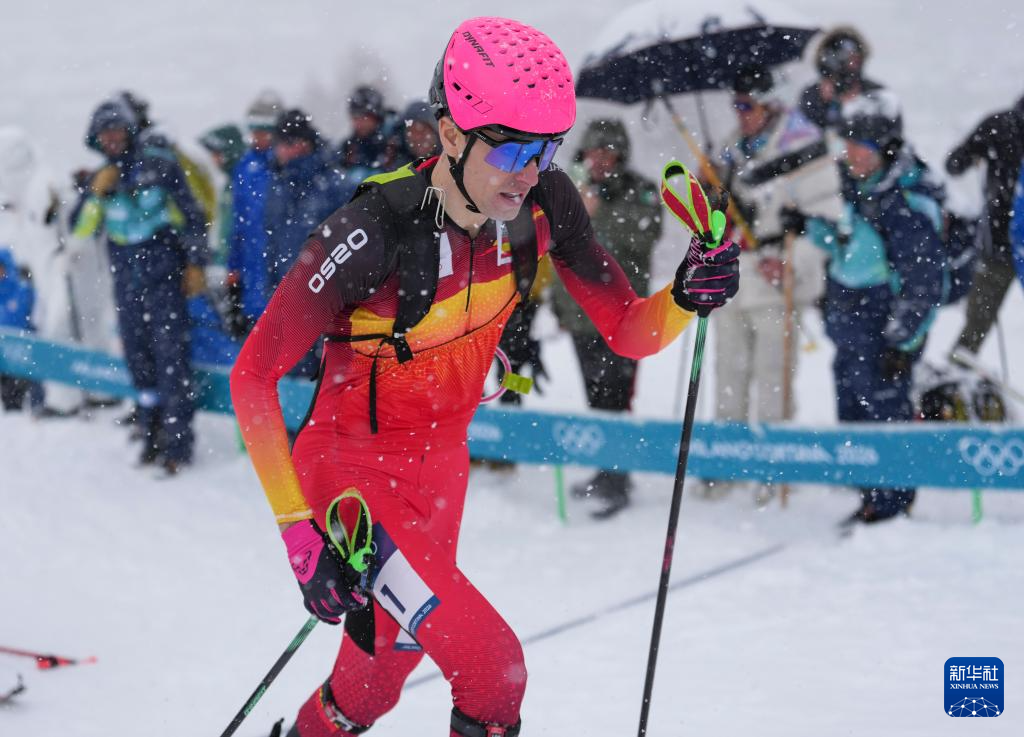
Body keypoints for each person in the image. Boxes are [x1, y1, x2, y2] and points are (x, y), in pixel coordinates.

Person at [229, 17, 739, 737]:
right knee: (493, 672)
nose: (529, 171)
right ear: (448, 133)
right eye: (510, 148)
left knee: (372, 684)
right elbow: (252, 376)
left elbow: (629, 331)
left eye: (546, 147)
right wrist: (299, 535)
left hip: (441, 474)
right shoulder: (372, 230)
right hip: (351, 479)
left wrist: (686, 294)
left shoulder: (545, 204)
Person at [794, 91, 946, 524]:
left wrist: (902, 342)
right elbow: (850, 244)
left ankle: (891, 503)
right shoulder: (858, 187)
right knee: (853, 412)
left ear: (886, 147)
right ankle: (870, 496)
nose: (851, 152)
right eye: (848, 142)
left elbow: (923, 284)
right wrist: (809, 227)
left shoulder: (906, 203)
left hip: (883, 327)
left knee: (885, 415)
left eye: (863, 145)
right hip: (849, 323)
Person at [704, 65, 840, 500]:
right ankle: (725, 463)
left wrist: (790, 262)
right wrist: (705, 190)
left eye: (747, 105)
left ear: (770, 105)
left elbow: (828, 221)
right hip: (730, 277)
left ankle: (771, 468)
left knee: (772, 377)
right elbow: (711, 215)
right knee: (728, 372)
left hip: (776, 281)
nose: (740, 114)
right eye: (736, 105)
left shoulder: (803, 146)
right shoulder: (727, 149)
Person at [71, 97, 207, 474]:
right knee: (138, 360)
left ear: (129, 131)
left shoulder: (160, 166)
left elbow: (193, 216)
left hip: (164, 280)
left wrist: (196, 263)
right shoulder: (100, 178)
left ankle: (178, 446)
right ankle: (150, 436)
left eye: (116, 131)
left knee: (171, 361)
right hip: (127, 285)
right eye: (104, 134)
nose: (111, 139)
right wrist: (94, 193)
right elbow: (79, 232)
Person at [549, 118, 662, 517]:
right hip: (583, 316)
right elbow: (558, 249)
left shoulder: (641, 191)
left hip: (624, 317)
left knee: (617, 397)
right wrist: (559, 305)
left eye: (607, 153)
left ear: (620, 155)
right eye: (593, 152)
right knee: (596, 398)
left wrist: (597, 215)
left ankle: (618, 478)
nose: (598, 160)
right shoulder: (573, 190)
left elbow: (643, 236)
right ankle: (605, 469)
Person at [944, 93, 1024, 365]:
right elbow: (954, 164)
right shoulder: (1000, 125)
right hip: (999, 243)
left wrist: (974, 154)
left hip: (998, 241)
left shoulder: (1000, 124)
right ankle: (958, 369)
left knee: (977, 322)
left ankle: (957, 369)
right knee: (977, 321)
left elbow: (954, 164)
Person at [226, 90, 284, 335]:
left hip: (279, 264)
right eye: (254, 130)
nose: (258, 136)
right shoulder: (244, 167)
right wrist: (233, 268)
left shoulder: (284, 166)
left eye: (264, 130)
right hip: (251, 268)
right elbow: (238, 222)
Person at [799, 27, 889, 133]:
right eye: (848, 60)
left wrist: (855, 108)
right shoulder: (812, 95)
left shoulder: (877, 95)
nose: (853, 65)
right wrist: (822, 103)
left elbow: (891, 137)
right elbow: (800, 133)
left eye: (857, 59)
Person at [0, 247, 43, 412]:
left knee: (30, 379)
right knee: (9, 393)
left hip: (25, 347)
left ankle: (37, 406)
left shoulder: (24, 290)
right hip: (3, 353)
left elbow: (38, 315)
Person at [198, 123, 247, 268]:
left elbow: (235, 228)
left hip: (238, 266)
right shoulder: (229, 181)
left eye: (215, 154)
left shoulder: (242, 181)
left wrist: (232, 264)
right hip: (229, 263)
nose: (212, 159)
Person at [335, 85, 398, 172]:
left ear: (376, 117)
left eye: (363, 117)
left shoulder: (398, 141)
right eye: (355, 117)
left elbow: (413, 167)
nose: (358, 123)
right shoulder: (349, 148)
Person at [392, 99, 441, 166]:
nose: (417, 137)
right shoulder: (397, 166)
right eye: (411, 131)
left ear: (435, 130)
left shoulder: (450, 160)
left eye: (421, 129)